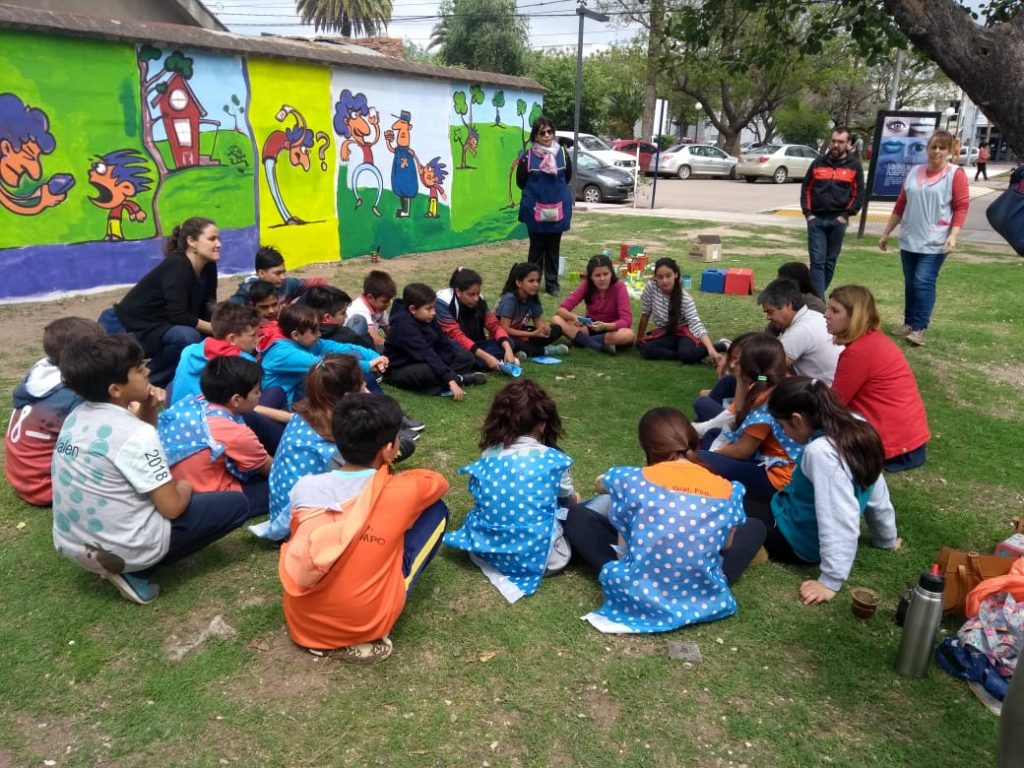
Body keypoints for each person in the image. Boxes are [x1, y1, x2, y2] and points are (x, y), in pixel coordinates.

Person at [52, 335, 250, 604]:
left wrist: (147, 405)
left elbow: (134, 442)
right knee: (235, 504)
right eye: (138, 368)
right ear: (116, 390)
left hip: (73, 543)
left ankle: (121, 561)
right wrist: (185, 486)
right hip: (119, 550)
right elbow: (171, 508)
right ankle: (138, 569)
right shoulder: (135, 435)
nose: (147, 371)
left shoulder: (77, 416)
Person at [563, 407, 766, 634]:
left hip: (639, 587)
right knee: (755, 527)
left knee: (578, 515)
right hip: (699, 591)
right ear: (695, 444)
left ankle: (650, 583)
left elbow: (622, 551)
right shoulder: (728, 490)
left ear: (646, 448)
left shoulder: (630, 480)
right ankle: (699, 582)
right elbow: (726, 545)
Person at [280, 393, 450, 663]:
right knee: (437, 510)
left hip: (302, 622)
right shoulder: (401, 491)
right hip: (362, 624)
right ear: (388, 449)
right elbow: (439, 482)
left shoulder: (305, 487)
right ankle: (361, 626)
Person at [760, 376, 900, 605]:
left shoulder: (821, 453)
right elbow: (876, 488)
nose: (783, 433)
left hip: (795, 540)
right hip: (791, 511)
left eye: (783, 426)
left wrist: (829, 581)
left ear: (797, 419)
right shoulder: (857, 426)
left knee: (735, 509)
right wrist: (886, 538)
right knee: (746, 494)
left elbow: (839, 516)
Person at [444, 380, 578, 603]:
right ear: (543, 424)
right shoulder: (555, 460)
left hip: (485, 550)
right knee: (575, 513)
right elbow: (569, 500)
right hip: (546, 560)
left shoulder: (489, 454)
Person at [254, 355, 367, 542]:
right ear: (349, 395)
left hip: (284, 511)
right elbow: (355, 477)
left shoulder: (306, 414)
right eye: (362, 386)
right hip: (302, 522)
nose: (366, 390)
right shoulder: (332, 437)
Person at [878, 129, 969, 347]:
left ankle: (919, 327)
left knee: (923, 281)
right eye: (933, 147)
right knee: (911, 282)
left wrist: (953, 235)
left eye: (942, 148)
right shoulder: (914, 172)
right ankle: (908, 323)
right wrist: (886, 232)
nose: (937, 151)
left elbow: (961, 206)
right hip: (910, 237)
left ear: (948, 151)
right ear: (927, 148)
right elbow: (901, 204)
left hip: (936, 239)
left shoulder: (954, 174)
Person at [825, 285, 930, 472]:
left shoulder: (859, 352)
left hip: (895, 447)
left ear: (855, 316)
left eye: (834, 310)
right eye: (828, 308)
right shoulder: (873, 340)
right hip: (910, 440)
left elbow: (834, 404)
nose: (826, 315)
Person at [106, 217, 220, 387]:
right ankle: (146, 383)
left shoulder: (208, 266)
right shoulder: (178, 265)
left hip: (160, 326)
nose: (218, 244)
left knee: (206, 337)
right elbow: (178, 315)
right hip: (127, 327)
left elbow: (209, 304)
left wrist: (225, 322)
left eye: (218, 239)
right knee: (188, 337)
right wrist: (216, 328)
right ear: (192, 242)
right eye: (212, 239)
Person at [5, 317, 105, 506]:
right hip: (45, 486)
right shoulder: (71, 393)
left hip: (22, 478)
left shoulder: (42, 372)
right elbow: (94, 434)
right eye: (98, 350)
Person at [158, 356, 272, 519]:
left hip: (175, 486)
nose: (260, 394)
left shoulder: (194, 404)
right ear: (236, 400)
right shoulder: (236, 433)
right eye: (256, 391)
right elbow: (269, 468)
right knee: (286, 483)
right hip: (214, 498)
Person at [697, 333, 802, 505]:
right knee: (713, 434)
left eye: (739, 361)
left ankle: (716, 494)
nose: (732, 364)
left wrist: (716, 452)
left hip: (777, 477)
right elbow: (739, 412)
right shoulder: (767, 381)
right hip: (766, 460)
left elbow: (742, 450)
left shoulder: (768, 399)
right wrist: (741, 378)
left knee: (701, 457)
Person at [260, 304, 385, 407]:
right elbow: (325, 365)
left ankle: (380, 408)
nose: (319, 334)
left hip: (303, 390)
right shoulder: (282, 353)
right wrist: (367, 365)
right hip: (288, 404)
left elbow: (344, 347)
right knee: (339, 373)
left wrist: (374, 357)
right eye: (314, 331)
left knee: (353, 355)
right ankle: (379, 409)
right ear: (296, 335)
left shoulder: (306, 341)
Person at [382, 283, 484, 399]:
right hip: (401, 368)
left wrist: (450, 359)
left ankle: (445, 379)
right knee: (429, 370)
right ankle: (459, 379)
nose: (433, 312)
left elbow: (442, 341)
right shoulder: (403, 325)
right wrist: (450, 379)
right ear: (413, 309)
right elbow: (425, 353)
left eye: (434, 307)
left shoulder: (427, 317)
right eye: (428, 308)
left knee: (465, 357)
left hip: (427, 358)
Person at [800, 125, 864, 296]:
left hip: (838, 221)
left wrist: (846, 215)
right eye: (834, 141)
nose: (836, 145)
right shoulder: (818, 163)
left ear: (848, 144)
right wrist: (808, 214)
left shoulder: (854, 166)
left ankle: (816, 296)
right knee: (817, 262)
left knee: (829, 263)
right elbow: (806, 189)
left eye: (841, 142)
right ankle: (818, 302)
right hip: (817, 220)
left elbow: (858, 195)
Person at [517, 116, 573, 297]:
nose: (547, 135)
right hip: (535, 211)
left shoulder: (563, 154)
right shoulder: (527, 157)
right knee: (536, 250)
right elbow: (521, 181)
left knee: (553, 249)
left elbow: (568, 176)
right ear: (535, 136)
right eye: (543, 132)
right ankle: (532, 283)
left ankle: (552, 284)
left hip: (557, 208)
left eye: (550, 131)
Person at [637, 257, 724, 366]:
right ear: (655, 277)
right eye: (660, 277)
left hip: (685, 334)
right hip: (665, 333)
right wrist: (638, 340)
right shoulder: (651, 287)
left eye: (668, 276)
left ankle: (720, 345)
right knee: (645, 348)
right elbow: (645, 314)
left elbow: (696, 325)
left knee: (686, 355)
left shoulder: (685, 299)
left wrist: (711, 349)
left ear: (676, 274)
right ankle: (697, 354)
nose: (664, 280)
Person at [169, 302, 260, 404]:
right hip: (211, 416)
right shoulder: (245, 362)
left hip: (177, 413)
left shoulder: (189, 350)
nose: (257, 338)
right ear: (232, 339)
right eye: (253, 335)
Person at [758, 278, 841, 385]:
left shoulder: (800, 330)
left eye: (770, 312)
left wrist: (757, 380)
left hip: (821, 394)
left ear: (788, 305)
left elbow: (768, 370)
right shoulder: (812, 316)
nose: (768, 317)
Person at [435, 267, 517, 372]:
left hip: (474, 345)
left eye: (478, 293)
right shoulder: (443, 303)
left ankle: (476, 364)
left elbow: (494, 325)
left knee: (509, 342)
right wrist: (487, 357)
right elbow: (456, 336)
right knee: (464, 355)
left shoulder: (479, 300)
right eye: (471, 294)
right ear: (458, 292)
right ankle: (483, 363)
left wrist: (508, 348)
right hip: (453, 347)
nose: (476, 298)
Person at [552, 253, 636, 354]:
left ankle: (580, 341)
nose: (602, 279)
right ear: (591, 277)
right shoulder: (587, 285)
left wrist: (605, 326)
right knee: (556, 319)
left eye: (606, 274)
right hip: (590, 327)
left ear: (611, 274)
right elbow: (561, 309)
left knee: (628, 334)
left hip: (612, 329)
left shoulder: (619, 286)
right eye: (597, 275)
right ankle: (598, 346)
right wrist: (574, 317)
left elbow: (626, 320)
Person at [494, 263, 568, 359]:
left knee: (556, 330)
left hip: (522, 333)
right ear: (519, 283)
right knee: (512, 341)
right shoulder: (510, 299)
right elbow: (505, 329)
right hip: (504, 336)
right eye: (531, 281)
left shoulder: (532, 297)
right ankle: (546, 350)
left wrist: (544, 330)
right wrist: (532, 334)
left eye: (537, 281)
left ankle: (522, 351)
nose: (536, 284)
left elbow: (538, 322)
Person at [228, 246, 325, 306]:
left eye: (284, 272)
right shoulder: (248, 290)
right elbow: (227, 313)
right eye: (277, 273)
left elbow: (319, 282)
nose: (283, 277)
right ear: (261, 273)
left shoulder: (287, 284)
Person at [304, 284, 377, 350]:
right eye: (343, 313)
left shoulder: (299, 334)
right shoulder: (346, 335)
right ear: (327, 318)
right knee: (359, 320)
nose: (346, 316)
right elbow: (370, 349)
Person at [348, 269, 397, 350]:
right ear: (370, 297)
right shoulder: (360, 311)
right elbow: (375, 340)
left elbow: (390, 331)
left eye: (389, 300)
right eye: (384, 301)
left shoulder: (379, 307)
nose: (388, 304)